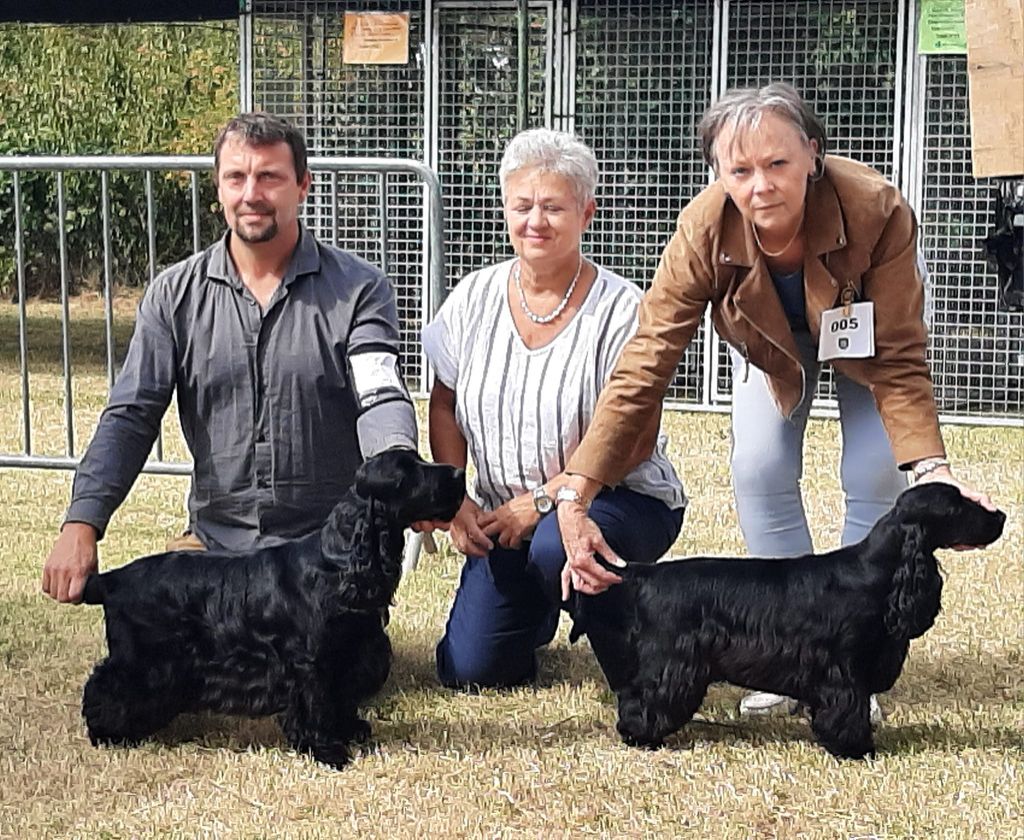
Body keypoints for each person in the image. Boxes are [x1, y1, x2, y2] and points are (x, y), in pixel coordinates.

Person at [553, 83, 996, 717]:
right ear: (719, 174)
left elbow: (898, 356)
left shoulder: (876, 208)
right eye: (740, 169)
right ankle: (782, 652)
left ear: (812, 155)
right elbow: (645, 362)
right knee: (757, 465)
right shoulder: (703, 228)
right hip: (767, 350)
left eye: (777, 163)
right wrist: (579, 488)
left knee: (873, 468)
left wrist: (932, 469)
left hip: (865, 347)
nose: (760, 183)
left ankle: (849, 655)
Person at [42, 111, 430, 604]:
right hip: (215, 552)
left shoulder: (360, 290)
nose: (252, 194)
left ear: (302, 185)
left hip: (322, 557)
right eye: (236, 177)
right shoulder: (173, 295)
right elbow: (131, 416)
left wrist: (396, 464)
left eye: (270, 177)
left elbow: (380, 397)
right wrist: (82, 521)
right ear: (218, 189)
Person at [422, 128, 686, 689]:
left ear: (586, 213)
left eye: (553, 207)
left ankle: (636, 641)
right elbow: (443, 403)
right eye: (522, 206)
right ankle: (539, 604)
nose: (535, 222)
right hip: (504, 520)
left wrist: (543, 502)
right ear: (504, 209)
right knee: (470, 670)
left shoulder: (623, 309)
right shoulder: (473, 297)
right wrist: (458, 499)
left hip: (618, 499)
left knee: (551, 543)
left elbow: (634, 438)